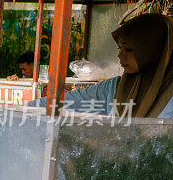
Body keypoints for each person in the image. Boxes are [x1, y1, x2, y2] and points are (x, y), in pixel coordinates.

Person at [29, 13, 173, 117]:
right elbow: (67, 102)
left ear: (154, 50)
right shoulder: (115, 88)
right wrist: (21, 110)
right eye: (120, 48)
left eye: (129, 49)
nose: (120, 55)